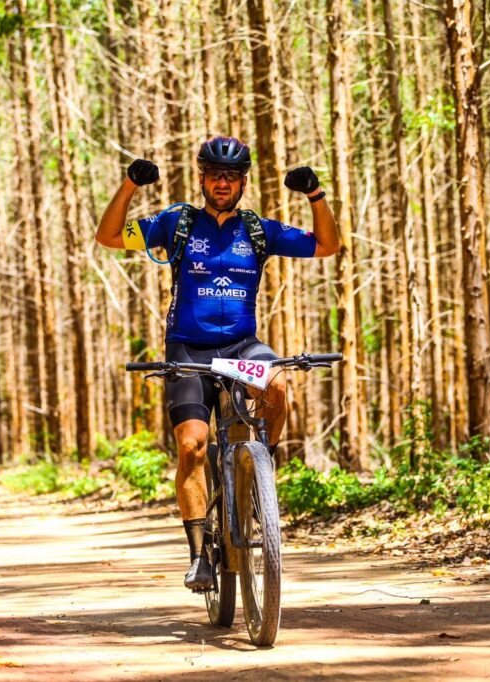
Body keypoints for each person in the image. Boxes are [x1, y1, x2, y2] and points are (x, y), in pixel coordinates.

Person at [95, 136, 340, 591]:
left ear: (244, 181)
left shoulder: (258, 230)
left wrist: (315, 195)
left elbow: (327, 246)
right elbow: (108, 236)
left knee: (278, 387)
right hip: (189, 349)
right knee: (192, 445)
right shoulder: (177, 224)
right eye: (214, 174)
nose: (222, 183)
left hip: (242, 347)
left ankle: (256, 475)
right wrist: (130, 184)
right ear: (202, 177)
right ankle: (197, 557)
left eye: (231, 176)